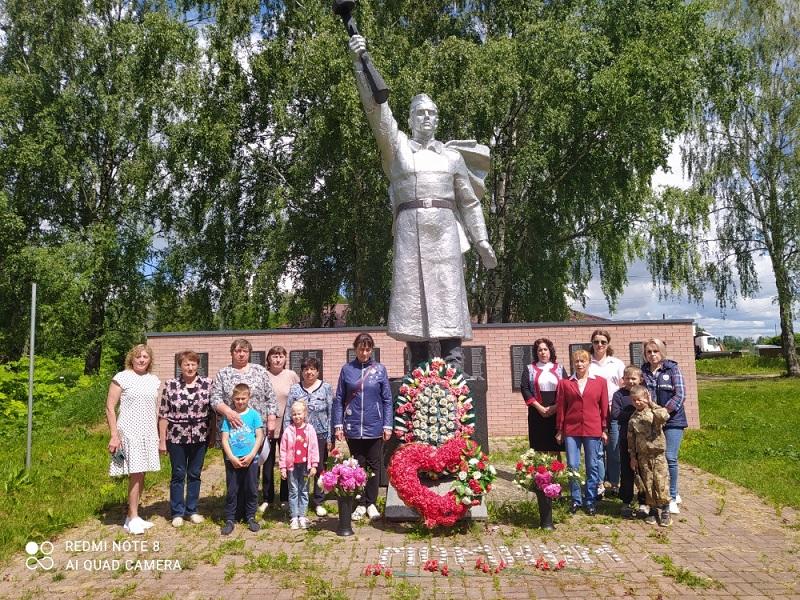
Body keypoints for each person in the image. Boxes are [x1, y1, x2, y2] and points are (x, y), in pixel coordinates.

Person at [347, 34, 497, 370]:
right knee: (413, 304)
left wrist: (481, 239)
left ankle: (454, 365)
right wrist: (360, 65)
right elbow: (377, 113)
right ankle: (416, 369)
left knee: (448, 298)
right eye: (419, 113)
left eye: (431, 113)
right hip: (410, 231)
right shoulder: (397, 148)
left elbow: (470, 202)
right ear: (411, 119)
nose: (426, 118)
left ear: (438, 120)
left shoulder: (452, 158)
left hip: (444, 231)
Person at [209, 338, 277, 510]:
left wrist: (271, 419)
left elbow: (270, 397)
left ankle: (250, 506)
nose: (241, 354)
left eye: (244, 351)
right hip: (232, 429)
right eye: (237, 351)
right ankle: (235, 505)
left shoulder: (259, 371)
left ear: (249, 353)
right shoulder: (223, 374)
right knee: (234, 467)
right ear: (232, 353)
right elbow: (215, 398)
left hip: (255, 429)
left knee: (253, 466)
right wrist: (228, 412)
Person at [333, 332, 393, 521]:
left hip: (374, 425)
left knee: (374, 465)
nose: (364, 352)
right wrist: (338, 424)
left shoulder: (380, 370)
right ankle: (360, 503)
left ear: (371, 350)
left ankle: (372, 502)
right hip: (352, 425)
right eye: (361, 348)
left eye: (367, 349)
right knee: (357, 465)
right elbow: (339, 398)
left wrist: (387, 425)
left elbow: (387, 399)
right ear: (355, 349)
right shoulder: (347, 369)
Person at [106, 343, 161, 535]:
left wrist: (158, 434)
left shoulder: (154, 380)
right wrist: (114, 435)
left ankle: (132, 516)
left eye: (145, 357)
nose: (141, 360)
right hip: (129, 432)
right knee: (135, 473)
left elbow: (155, 408)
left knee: (141, 472)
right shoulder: (122, 377)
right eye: (138, 356)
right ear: (132, 358)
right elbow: (109, 407)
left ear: (150, 360)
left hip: (148, 432)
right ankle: (133, 516)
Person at [158, 350, 213, 528]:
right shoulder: (171, 385)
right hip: (176, 437)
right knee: (178, 474)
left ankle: (192, 510)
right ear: (180, 366)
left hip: (200, 436)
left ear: (198, 365)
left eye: (193, 364)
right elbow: (164, 414)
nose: (190, 367)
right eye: (186, 364)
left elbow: (212, 413)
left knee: (195, 474)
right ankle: (177, 512)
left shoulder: (207, 384)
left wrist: (212, 436)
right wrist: (161, 440)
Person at [555, 349, 608, 516]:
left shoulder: (600, 382)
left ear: (588, 363)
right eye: (576, 361)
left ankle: (590, 499)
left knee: (592, 465)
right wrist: (560, 429)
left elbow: (604, 407)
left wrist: (604, 428)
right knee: (572, 465)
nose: (579, 364)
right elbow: (562, 408)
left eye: (582, 361)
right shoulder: (565, 383)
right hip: (572, 429)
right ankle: (576, 499)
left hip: (593, 428)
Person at [641, 337, 687, 515]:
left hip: (672, 420)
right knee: (654, 459)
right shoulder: (643, 371)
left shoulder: (672, 369)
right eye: (649, 352)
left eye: (655, 351)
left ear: (662, 352)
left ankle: (673, 496)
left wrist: (664, 412)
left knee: (670, 458)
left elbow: (680, 394)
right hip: (651, 421)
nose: (652, 355)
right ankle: (655, 495)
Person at [286, 357, 333, 517]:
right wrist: (287, 434)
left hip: (319, 434)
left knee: (319, 467)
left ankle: (318, 501)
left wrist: (329, 437)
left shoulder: (326, 387)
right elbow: (288, 413)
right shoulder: (295, 389)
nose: (309, 372)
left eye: (312, 369)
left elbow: (331, 412)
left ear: (318, 371)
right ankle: (297, 499)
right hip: (298, 435)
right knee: (299, 468)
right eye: (306, 369)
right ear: (302, 371)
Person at [220, 383, 264, 535]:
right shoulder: (229, 417)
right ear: (233, 399)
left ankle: (250, 516)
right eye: (237, 399)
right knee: (233, 489)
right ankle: (231, 518)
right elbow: (224, 439)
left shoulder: (254, 415)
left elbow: (259, 436)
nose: (240, 401)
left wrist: (252, 454)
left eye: (243, 398)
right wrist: (231, 457)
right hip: (233, 460)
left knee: (251, 488)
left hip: (251, 459)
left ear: (248, 398)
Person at [587, 329, 626, 496]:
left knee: (614, 448)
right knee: (598, 451)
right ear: (592, 344)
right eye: (596, 342)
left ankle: (615, 482)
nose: (599, 345)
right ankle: (599, 483)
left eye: (603, 342)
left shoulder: (616, 364)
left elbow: (623, 387)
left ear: (608, 344)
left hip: (614, 411)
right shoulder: (587, 363)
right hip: (594, 412)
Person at [627, 385, 672, 527]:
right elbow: (631, 439)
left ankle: (665, 510)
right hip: (643, 456)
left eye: (640, 399)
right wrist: (633, 457)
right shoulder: (633, 418)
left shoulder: (654, 412)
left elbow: (665, 415)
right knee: (648, 483)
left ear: (646, 398)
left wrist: (651, 403)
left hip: (657, 455)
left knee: (661, 482)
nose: (637, 403)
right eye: (634, 400)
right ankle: (652, 510)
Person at [262, 345, 300, 511]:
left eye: (281, 356)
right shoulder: (263, 375)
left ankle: (285, 497)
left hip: (288, 428)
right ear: (268, 359)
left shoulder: (291, 375)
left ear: (285, 359)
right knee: (267, 464)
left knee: (287, 462)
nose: (277, 359)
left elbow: (299, 396)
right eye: (274, 356)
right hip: (267, 428)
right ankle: (267, 498)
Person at [610, 366, 645, 518]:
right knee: (626, 470)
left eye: (634, 378)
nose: (630, 381)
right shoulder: (619, 395)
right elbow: (616, 414)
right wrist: (636, 412)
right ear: (623, 379)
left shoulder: (644, 393)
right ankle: (626, 500)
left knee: (643, 470)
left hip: (643, 439)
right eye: (627, 378)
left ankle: (644, 501)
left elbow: (649, 409)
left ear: (640, 380)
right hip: (626, 438)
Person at [520, 338, 566, 453]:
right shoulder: (529, 369)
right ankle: (541, 471)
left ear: (550, 351)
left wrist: (555, 407)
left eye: (545, 349)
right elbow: (524, 388)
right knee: (540, 448)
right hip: (537, 412)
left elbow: (566, 389)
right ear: (536, 353)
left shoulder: (560, 368)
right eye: (540, 350)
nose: (543, 352)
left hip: (555, 412)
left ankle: (557, 471)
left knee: (555, 448)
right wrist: (539, 407)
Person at [280, 400, 320, 530]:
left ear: (305, 414)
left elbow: (314, 448)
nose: (297, 416)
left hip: (305, 466)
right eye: (294, 414)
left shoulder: (310, 430)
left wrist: (314, 465)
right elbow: (283, 450)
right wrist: (283, 467)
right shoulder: (288, 431)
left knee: (304, 490)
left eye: (299, 414)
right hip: (292, 466)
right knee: (293, 491)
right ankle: (294, 516)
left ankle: (302, 515)